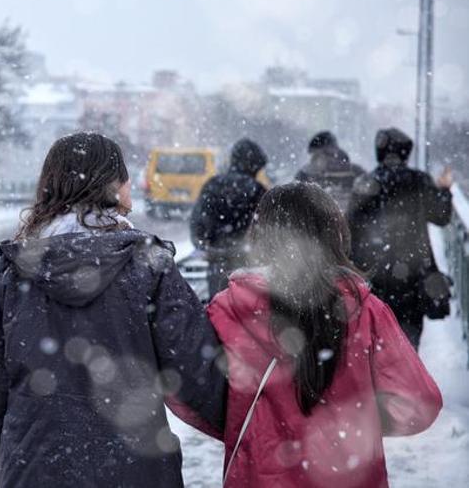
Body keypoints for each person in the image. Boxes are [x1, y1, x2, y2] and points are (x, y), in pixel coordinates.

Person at [0, 132, 226, 488]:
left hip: (33, 469)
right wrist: (263, 428)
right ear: (114, 188)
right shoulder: (147, 265)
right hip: (135, 468)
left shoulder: (16, 271)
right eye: (125, 178)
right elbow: (199, 374)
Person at [169, 182, 442, 488]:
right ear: (334, 234)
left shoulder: (228, 309)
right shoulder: (365, 310)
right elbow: (421, 403)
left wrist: (246, 428)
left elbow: (186, 392)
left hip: (261, 476)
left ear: (261, 237)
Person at [346, 128, 453, 349]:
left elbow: (351, 230)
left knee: (377, 343)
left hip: (375, 277)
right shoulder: (419, 181)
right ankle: (406, 379)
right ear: (406, 153)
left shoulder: (366, 183)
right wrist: (444, 190)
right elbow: (441, 216)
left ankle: (382, 379)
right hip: (414, 276)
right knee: (409, 342)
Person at [190, 138, 267, 298]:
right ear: (254, 165)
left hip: (216, 263)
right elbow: (265, 229)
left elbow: (197, 224)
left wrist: (207, 248)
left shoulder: (212, 184)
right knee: (247, 313)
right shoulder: (257, 190)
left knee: (219, 310)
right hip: (247, 263)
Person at [295, 130, 365, 211]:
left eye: (323, 154)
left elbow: (366, 200)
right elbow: (297, 201)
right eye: (316, 155)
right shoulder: (305, 174)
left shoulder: (354, 171)